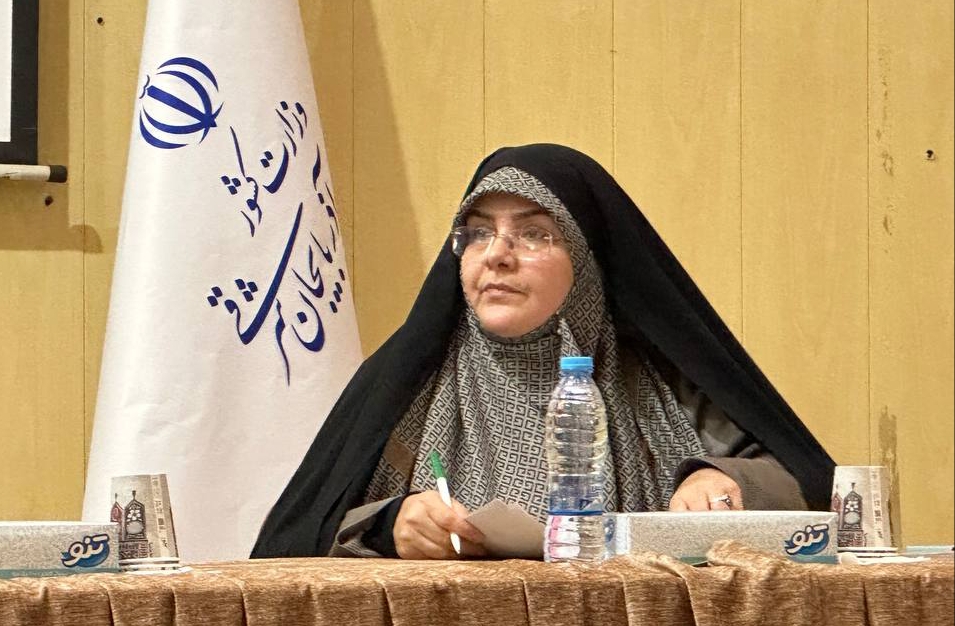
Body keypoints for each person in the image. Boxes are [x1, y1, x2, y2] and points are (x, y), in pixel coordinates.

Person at [251, 143, 835, 560]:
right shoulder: (406, 383)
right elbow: (297, 540)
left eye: (533, 233)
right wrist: (387, 526)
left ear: (587, 262)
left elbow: (806, 483)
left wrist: (720, 479)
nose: (496, 255)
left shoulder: (659, 379)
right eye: (478, 232)